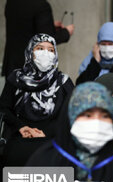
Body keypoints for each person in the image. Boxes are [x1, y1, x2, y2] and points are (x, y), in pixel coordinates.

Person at [0, 33, 74, 168]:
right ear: (30, 51)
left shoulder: (63, 82)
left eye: (51, 50)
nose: (45, 53)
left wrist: (47, 132)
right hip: (19, 141)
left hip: (54, 144)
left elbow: (72, 115)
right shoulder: (16, 78)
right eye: (40, 48)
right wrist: (21, 127)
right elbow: (3, 109)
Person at [2, 0, 74, 78]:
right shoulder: (41, 5)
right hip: (33, 69)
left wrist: (48, 25)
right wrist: (66, 32)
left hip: (12, 65)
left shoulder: (11, 2)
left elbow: (23, 27)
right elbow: (46, 40)